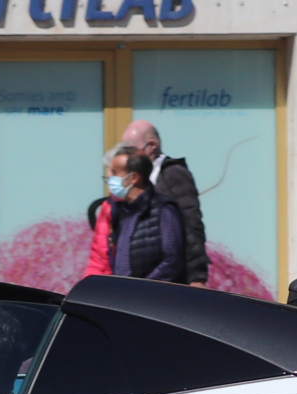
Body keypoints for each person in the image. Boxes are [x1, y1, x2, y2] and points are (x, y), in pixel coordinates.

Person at [120, 118, 209, 286]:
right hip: (140, 277)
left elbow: (191, 223)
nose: (128, 157)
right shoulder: (137, 181)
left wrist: (197, 276)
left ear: (152, 146)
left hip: (169, 278)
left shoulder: (172, 174)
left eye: (131, 149)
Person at [84, 151, 186, 283]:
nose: (109, 178)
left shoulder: (164, 210)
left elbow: (172, 260)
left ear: (133, 178)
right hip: (126, 297)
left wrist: (142, 288)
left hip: (153, 298)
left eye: (114, 173)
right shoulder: (120, 212)